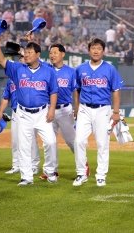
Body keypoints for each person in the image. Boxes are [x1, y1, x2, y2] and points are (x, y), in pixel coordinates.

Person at [0, 36, 58, 186]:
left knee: (51, 142)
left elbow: (53, 91)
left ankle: (49, 172)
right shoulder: (17, 68)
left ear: (38, 54)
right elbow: (1, 59)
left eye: (29, 52)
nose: (26, 54)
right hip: (23, 113)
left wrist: (52, 109)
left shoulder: (48, 71)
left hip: (42, 113)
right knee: (23, 145)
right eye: (25, 52)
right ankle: (26, 177)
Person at [73, 38, 123, 187]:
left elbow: (116, 91)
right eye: (93, 48)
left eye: (98, 48)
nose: (95, 51)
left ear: (103, 51)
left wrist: (116, 112)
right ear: (89, 50)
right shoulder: (80, 68)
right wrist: (76, 108)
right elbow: (77, 90)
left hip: (103, 109)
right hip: (85, 109)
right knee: (79, 141)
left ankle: (101, 175)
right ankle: (81, 173)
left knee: (102, 143)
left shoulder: (110, 69)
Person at [38, 44, 80, 180]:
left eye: (55, 52)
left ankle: (83, 167)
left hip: (64, 110)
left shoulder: (71, 71)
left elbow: (75, 90)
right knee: (49, 142)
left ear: (63, 54)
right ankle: (51, 171)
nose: (52, 55)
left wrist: (77, 107)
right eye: (50, 53)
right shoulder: (45, 69)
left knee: (72, 141)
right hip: (48, 110)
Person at [0, 47, 41, 175]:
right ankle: (16, 164)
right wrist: (0, 111)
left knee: (32, 140)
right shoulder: (12, 79)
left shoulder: (34, 74)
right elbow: (6, 97)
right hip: (16, 112)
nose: (22, 59)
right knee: (16, 140)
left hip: (30, 111)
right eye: (20, 58)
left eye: (23, 57)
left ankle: (34, 165)